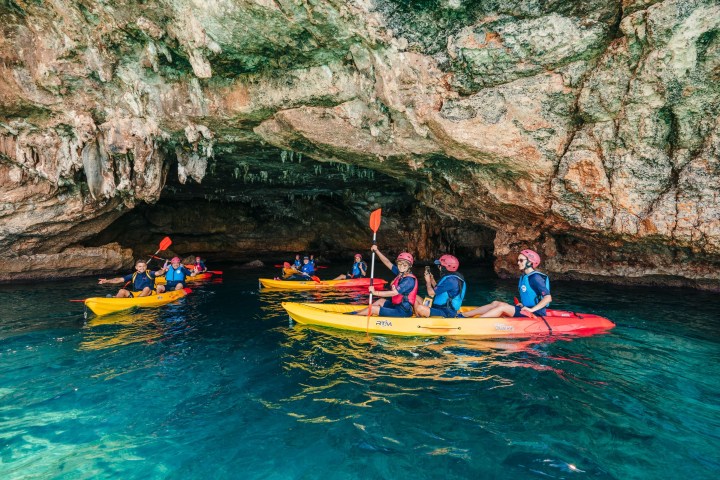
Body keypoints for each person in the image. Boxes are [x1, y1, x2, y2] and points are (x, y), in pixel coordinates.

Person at [460, 249, 551, 318]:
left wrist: (531, 309)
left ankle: (476, 322)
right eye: (518, 260)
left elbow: (548, 298)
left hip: (535, 313)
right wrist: (524, 305)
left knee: (502, 307)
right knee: (496, 303)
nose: (518, 262)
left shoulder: (535, 277)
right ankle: (464, 315)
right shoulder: (524, 276)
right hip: (525, 309)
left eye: (521, 260)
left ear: (530, 262)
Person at [352, 246, 417, 317]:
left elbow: (394, 293)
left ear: (409, 266)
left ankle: (353, 318)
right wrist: (377, 251)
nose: (401, 266)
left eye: (405, 265)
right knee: (380, 301)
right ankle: (358, 313)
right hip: (396, 306)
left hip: (403, 311)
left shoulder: (409, 280)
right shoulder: (401, 273)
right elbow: (387, 262)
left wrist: (375, 292)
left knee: (373, 309)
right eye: (400, 264)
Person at [98, 259, 164, 298]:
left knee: (146, 288)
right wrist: (107, 281)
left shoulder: (150, 273)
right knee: (122, 291)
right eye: (140, 266)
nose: (142, 268)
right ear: (136, 267)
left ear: (146, 266)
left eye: (144, 266)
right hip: (136, 294)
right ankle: (115, 302)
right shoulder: (133, 275)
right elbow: (119, 279)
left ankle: (135, 301)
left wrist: (163, 271)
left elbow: (158, 273)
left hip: (149, 293)